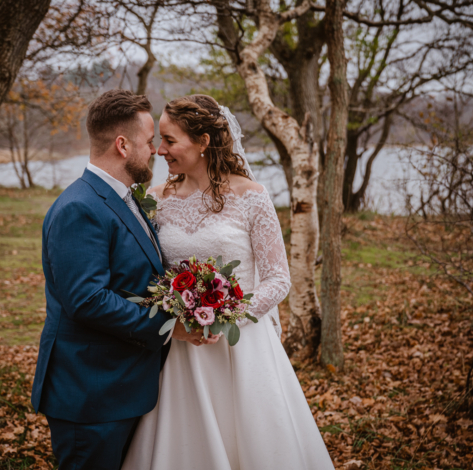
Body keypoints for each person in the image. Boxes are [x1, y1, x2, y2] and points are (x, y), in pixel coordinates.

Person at [122, 94, 335, 469]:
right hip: (182, 348)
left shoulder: (251, 196)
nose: (160, 150)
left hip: (243, 346)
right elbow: (149, 274)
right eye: (160, 140)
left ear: (203, 141)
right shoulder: (155, 200)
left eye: (170, 140)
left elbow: (277, 278)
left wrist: (225, 315)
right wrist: (179, 312)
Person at [30, 89, 217, 470]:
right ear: (122, 145)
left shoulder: (123, 198)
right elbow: (88, 300)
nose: (155, 151)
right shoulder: (80, 207)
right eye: (148, 142)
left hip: (121, 388)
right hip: (90, 395)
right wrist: (170, 326)